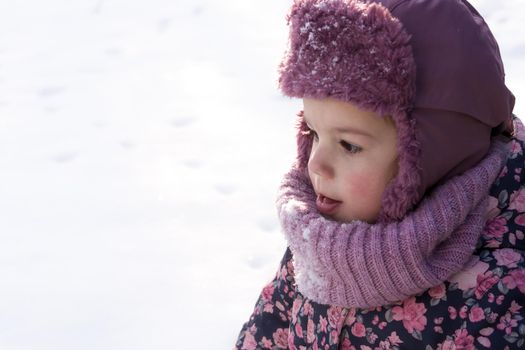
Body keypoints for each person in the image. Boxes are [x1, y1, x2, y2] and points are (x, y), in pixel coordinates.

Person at [235, 0, 524, 349]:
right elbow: (270, 331)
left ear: (433, 155)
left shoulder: (496, 294)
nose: (315, 165)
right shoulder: (325, 234)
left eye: (349, 145)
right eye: (312, 132)